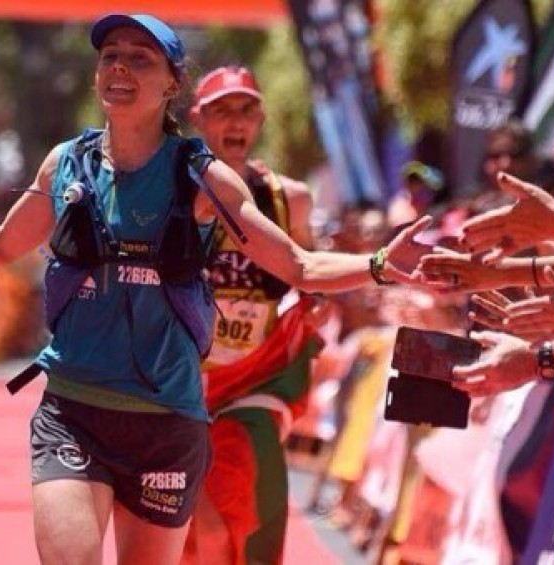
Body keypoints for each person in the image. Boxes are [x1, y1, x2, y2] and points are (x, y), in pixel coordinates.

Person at [0, 14, 433, 564]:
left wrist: (380, 262)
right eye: (110, 57)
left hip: (167, 422)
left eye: (141, 59)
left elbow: (296, 264)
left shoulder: (203, 177)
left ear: (172, 85)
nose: (121, 68)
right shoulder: (65, 164)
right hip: (74, 412)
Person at [181, 65, 321, 564]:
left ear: (260, 121)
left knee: (251, 505)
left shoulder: (289, 200)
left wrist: (319, 303)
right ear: (198, 119)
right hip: (176, 382)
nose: (236, 121)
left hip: (254, 382)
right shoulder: (168, 192)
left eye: (246, 110)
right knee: (191, 526)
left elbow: (309, 272)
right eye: (221, 110)